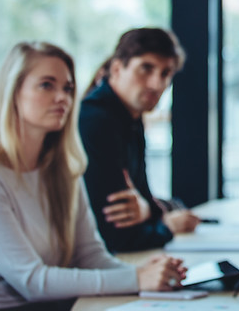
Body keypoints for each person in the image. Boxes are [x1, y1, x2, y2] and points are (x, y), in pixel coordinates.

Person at [0, 42, 186, 311]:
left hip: (47, 309)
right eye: (46, 85)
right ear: (13, 92)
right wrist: (137, 279)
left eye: (67, 88)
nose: (62, 98)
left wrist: (148, 273)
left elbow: (91, 257)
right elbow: (31, 281)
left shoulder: (62, 170)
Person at [80, 28, 201, 252]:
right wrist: (167, 226)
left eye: (165, 74)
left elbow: (143, 199)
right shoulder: (96, 121)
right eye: (146, 68)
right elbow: (115, 234)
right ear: (117, 68)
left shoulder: (130, 118)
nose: (156, 84)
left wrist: (149, 210)